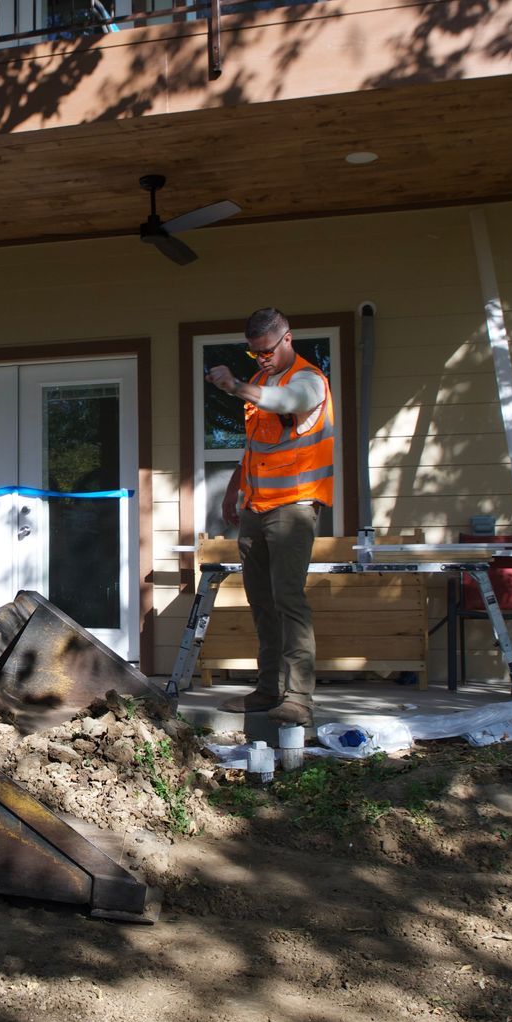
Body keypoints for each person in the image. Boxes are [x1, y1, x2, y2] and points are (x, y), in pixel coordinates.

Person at [206, 308, 334, 730]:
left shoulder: (310, 380)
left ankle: (298, 699)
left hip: (295, 508)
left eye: (266, 351)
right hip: (256, 508)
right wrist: (233, 489)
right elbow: (257, 447)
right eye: (254, 352)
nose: (261, 359)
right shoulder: (260, 382)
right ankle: (268, 689)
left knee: (289, 599)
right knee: (261, 601)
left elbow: (288, 403)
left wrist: (236, 386)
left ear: (287, 339)